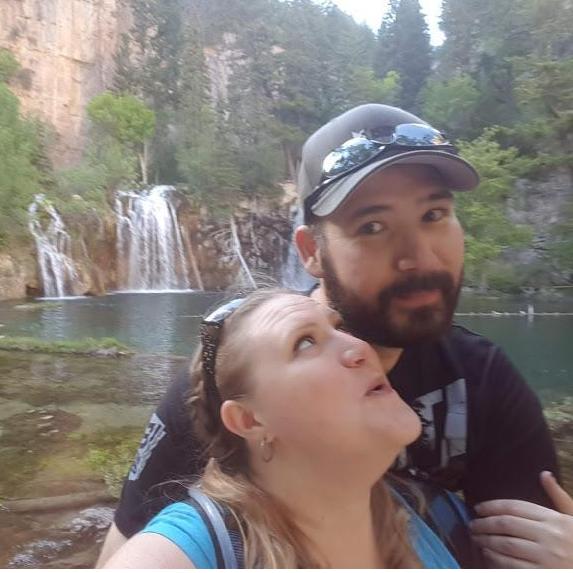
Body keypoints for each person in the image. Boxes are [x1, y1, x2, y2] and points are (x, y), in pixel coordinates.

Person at [96, 104, 572, 568]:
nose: (420, 257)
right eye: (373, 227)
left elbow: (529, 548)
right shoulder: (232, 376)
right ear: (311, 252)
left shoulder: (482, 381)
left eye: (434, 215)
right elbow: (127, 551)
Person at [104, 289, 460, 568]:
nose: (359, 348)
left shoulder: (440, 520)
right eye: (305, 342)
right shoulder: (194, 551)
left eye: (337, 328)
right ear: (250, 420)